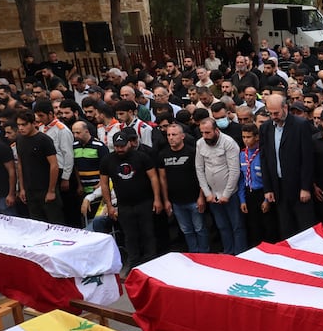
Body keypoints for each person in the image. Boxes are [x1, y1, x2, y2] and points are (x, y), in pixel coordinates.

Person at [99, 131, 162, 274]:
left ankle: (151, 262)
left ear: (129, 143)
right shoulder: (107, 160)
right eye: (116, 146)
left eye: (122, 146)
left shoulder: (141, 157)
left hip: (144, 201)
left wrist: (157, 199)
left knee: (148, 233)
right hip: (124, 205)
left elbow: (154, 178)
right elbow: (104, 184)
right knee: (130, 236)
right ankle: (133, 264)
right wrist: (109, 206)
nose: (119, 149)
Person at [259, 93, 316, 237]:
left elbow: (307, 159)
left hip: (298, 186)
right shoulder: (266, 128)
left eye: (276, 112)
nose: (274, 116)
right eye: (270, 113)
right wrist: (268, 188)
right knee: (286, 227)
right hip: (278, 187)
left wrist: (305, 187)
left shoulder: (300, 125)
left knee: (304, 228)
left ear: (285, 107)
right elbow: (265, 160)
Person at [195, 117, 244, 254]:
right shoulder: (200, 144)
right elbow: (199, 169)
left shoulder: (228, 143)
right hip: (212, 195)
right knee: (222, 226)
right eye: (202, 133)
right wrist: (207, 193)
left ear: (216, 130)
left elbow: (235, 171)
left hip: (230, 194)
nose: (205, 136)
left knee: (237, 226)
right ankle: (228, 253)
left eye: (208, 132)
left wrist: (227, 194)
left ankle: (240, 254)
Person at [158, 122, 206, 253]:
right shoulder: (163, 154)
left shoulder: (193, 152)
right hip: (176, 202)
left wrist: (202, 197)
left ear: (182, 136)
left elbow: (202, 175)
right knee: (187, 230)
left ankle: (204, 254)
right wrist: (166, 200)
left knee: (200, 229)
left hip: (194, 199)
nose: (171, 138)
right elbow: (162, 179)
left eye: (174, 134)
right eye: (168, 135)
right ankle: (194, 254)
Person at [14, 110, 63, 224]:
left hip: (45, 188)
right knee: (37, 223)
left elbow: (54, 165)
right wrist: (22, 188)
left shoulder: (44, 140)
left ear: (33, 124)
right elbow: (20, 164)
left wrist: (51, 191)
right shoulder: (20, 140)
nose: (21, 128)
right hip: (30, 190)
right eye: (19, 125)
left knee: (55, 223)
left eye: (24, 124)